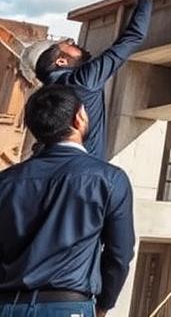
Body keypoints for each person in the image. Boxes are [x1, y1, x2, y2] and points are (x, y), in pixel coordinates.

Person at [0, 85, 135, 317]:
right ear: (79, 117)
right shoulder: (109, 179)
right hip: (67, 305)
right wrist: (103, 305)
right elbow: (119, 254)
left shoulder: (6, 181)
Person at [22, 0, 157, 159]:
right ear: (61, 61)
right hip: (85, 176)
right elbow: (133, 37)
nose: (75, 43)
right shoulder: (83, 80)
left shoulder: (41, 99)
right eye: (69, 44)